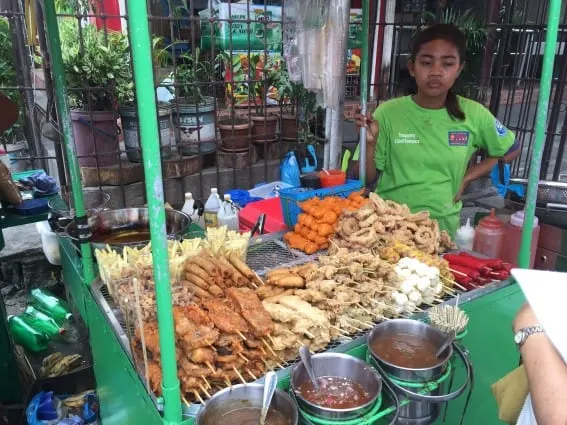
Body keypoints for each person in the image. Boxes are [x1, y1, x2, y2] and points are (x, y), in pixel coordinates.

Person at [353, 23, 520, 237]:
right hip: (388, 227)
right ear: (412, 67)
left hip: (440, 231)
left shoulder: (474, 114)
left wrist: (467, 178)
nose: (436, 72)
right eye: (427, 63)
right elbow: (364, 179)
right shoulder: (387, 113)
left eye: (447, 64)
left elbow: (509, 150)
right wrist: (370, 144)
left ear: (459, 69)